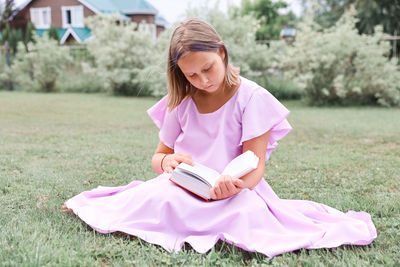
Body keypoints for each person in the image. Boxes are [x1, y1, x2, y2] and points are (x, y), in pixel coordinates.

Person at [64, 18, 376, 257]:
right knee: (158, 198)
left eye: (208, 69)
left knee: (245, 214)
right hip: (185, 188)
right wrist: (167, 161)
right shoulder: (181, 103)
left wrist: (234, 187)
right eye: (191, 75)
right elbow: (158, 157)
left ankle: (214, 213)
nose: (202, 80)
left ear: (222, 53)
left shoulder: (252, 98)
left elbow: (254, 165)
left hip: (235, 191)